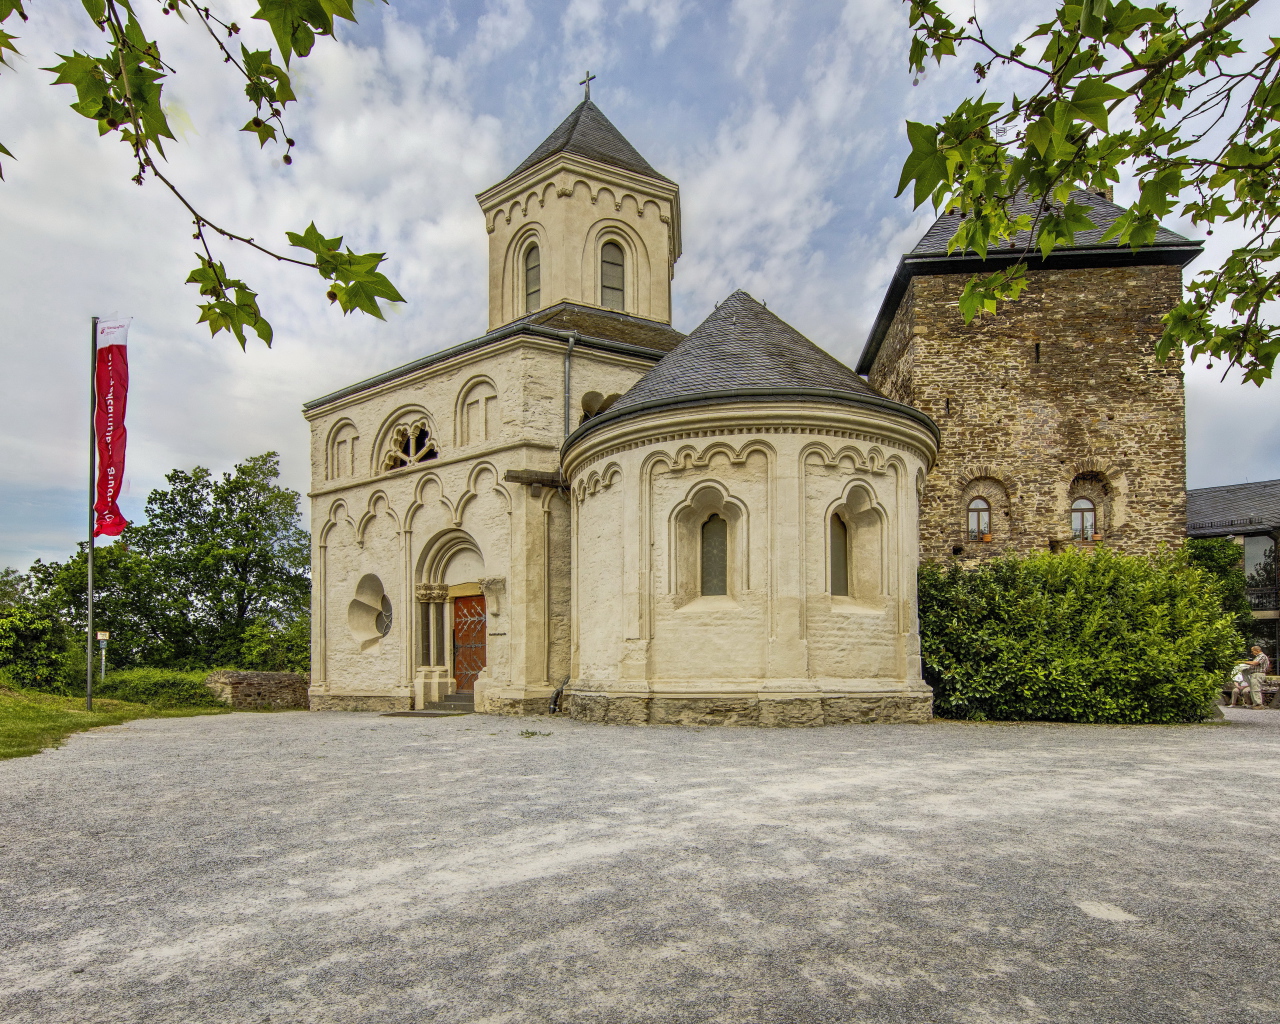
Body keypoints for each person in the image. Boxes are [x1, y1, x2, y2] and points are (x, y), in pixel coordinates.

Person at [1242, 645, 1271, 709]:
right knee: (1253, 689)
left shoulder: (1262, 656)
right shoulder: (1258, 657)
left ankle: (1258, 704)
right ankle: (1255, 703)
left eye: (1253, 651)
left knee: (1255, 689)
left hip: (1258, 674)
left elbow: (1255, 663)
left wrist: (1244, 662)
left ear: (1257, 650)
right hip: (1254, 674)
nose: (1252, 653)